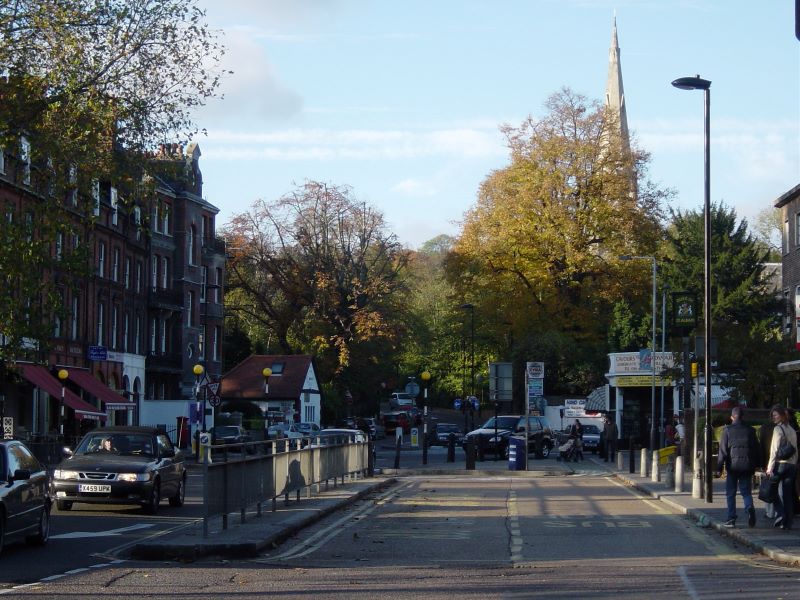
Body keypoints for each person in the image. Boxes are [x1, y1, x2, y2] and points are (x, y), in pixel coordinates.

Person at [715, 406, 760, 528]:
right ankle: (749, 507)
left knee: (731, 493)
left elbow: (723, 452)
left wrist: (718, 468)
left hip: (733, 466)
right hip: (747, 466)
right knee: (746, 492)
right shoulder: (750, 430)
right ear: (742, 417)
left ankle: (731, 519)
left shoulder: (727, 430)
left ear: (731, 417)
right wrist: (758, 465)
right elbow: (756, 449)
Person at [766, 404, 798, 530]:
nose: (773, 417)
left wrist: (770, 467)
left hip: (780, 465)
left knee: (771, 491)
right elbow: (795, 449)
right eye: (772, 415)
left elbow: (774, 450)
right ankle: (788, 523)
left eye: (775, 415)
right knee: (788, 494)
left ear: (782, 416)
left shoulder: (777, 429)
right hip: (791, 465)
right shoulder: (792, 430)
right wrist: (794, 463)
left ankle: (780, 513)